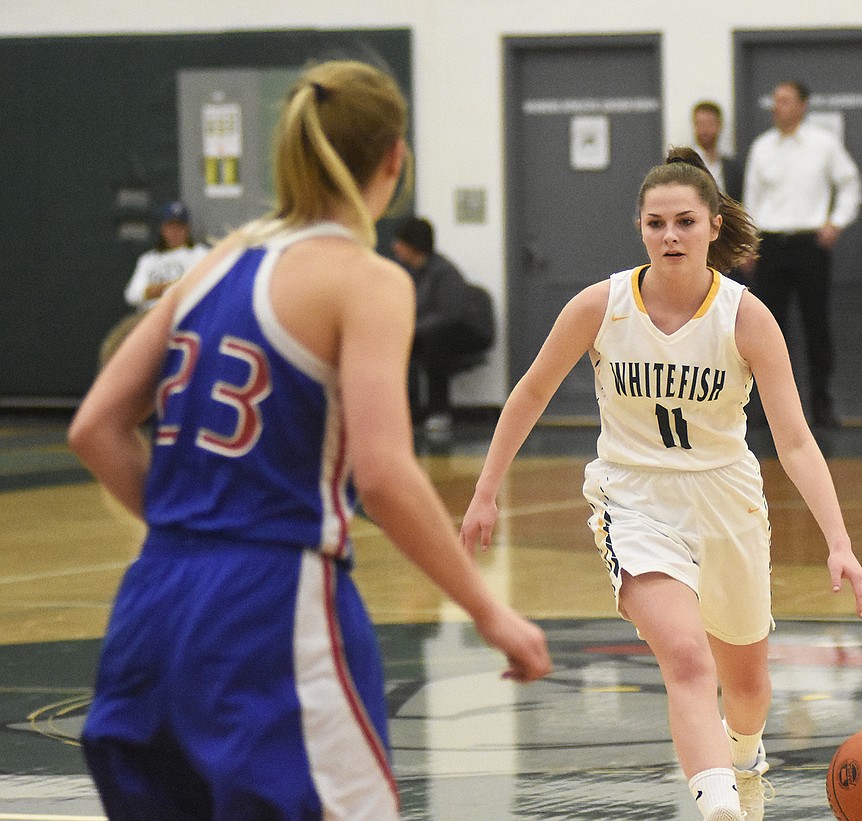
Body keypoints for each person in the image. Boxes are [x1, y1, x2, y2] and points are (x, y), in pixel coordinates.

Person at [68, 60, 551, 820]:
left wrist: (187, 525)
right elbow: (384, 472)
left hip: (150, 605)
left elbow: (94, 427)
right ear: (395, 158)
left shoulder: (210, 265)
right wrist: (490, 611)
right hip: (269, 602)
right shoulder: (366, 279)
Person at [460, 147, 862, 821]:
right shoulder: (601, 306)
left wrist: (839, 539)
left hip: (727, 502)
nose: (670, 236)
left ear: (714, 226)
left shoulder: (745, 317)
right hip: (634, 501)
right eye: (656, 223)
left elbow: (795, 440)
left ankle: (744, 755)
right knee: (686, 659)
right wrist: (486, 487)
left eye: (685, 221)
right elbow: (531, 391)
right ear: (640, 227)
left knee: (747, 690)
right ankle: (718, 806)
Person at [742, 81, 862, 428]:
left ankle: (821, 403)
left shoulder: (823, 145)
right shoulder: (762, 147)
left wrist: (836, 222)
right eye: (775, 100)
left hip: (810, 245)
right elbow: (751, 201)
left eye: (784, 100)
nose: (776, 106)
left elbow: (850, 184)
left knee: (816, 326)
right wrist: (748, 243)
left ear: (802, 106)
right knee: (767, 329)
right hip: (770, 245)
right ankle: (768, 407)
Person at [392, 216, 494, 438]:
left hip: (465, 333)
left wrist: (413, 330)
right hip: (433, 332)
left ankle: (439, 411)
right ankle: (405, 409)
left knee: (433, 343)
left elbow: (450, 315)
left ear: (414, 244)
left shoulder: (444, 272)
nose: (395, 247)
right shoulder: (412, 274)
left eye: (401, 241)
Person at [98, 200, 210, 367]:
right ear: (163, 229)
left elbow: (206, 285)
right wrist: (153, 291)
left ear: (187, 229)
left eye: (179, 227)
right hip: (149, 317)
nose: (175, 232)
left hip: (184, 316)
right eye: (170, 226)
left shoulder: (200, 254)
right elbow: (131, 295)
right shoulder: (149, 259)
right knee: (115, 342)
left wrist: (173, 288)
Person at [691, 100, 744, 204]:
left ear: (719, 126)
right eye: (700, 124)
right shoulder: (684, 165)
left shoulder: (732, 168)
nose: (704, 130)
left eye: (709, 124)